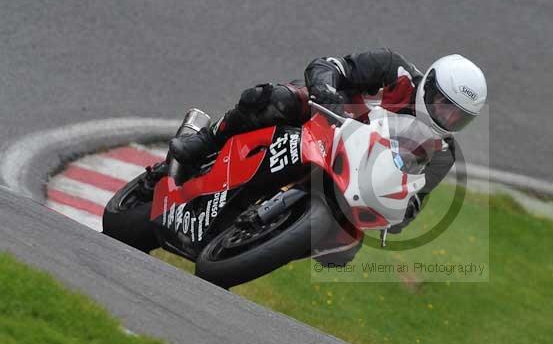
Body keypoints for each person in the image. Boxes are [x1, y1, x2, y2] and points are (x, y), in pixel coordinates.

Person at [168, 48, 487, 246]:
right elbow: (328, 65)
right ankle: (207, 140)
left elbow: (417, 196)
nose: (450, 117)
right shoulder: (394, 70)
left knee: (343, 247)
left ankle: (260, 242)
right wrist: (327, 90)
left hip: (356, 175)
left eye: (460, 116)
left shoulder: (441, 151)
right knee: (272, 99)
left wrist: (399, 215)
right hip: (326, 120)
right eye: (446, 105)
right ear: (429, 85)